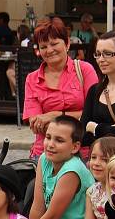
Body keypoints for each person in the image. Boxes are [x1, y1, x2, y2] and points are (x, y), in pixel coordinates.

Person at [23, 18, 98, 159]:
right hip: (45, 155)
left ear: (67, 43)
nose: (49, 50)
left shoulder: (84, 70)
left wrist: (55, 115)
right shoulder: (32, 79)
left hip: (83, 153)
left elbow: (95, 113)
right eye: (43, 47)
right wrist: (78, 117)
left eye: (54, 43)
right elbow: (36, 125)